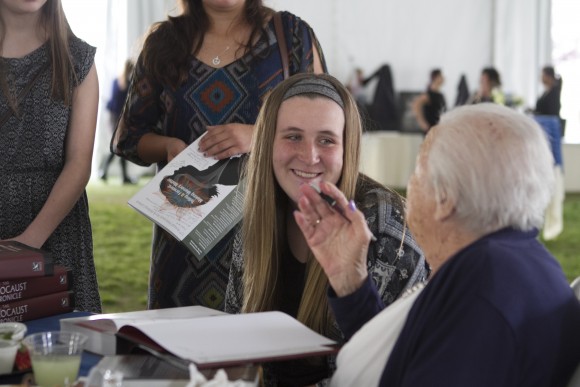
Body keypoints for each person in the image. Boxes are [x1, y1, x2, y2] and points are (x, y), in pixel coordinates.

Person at [293, 103, 580, 386]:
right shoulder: (517, 261)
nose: (410, 182)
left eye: (418, 171)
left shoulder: (482, 286)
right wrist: (350, 278)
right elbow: (400, 357)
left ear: (446, 199)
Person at [111, 0, 326, 310]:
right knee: (180, 350)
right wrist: (168, 146)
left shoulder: (290, 35)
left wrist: (260, 135)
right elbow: (127, 138)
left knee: (266, 348)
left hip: (268, 233)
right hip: (183, 245)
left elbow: (327, 126)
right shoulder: (163, 42)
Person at [225, 73, 428, 386]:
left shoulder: (387, 227)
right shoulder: (258, 213)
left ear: (347, 147)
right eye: (293, 136)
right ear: (267, 142)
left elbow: (398, 364)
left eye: (327, 140)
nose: (309, 156)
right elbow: (236, 337)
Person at [0, 0, 101, 312]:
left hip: (55, 228)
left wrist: (28, 243)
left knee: (60, 347)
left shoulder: (78, 58)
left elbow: (79, 163)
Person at [99, 59, 136, 184]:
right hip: (118, 117)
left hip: (112, 115)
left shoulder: (116, 81)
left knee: (118, 145)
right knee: (119, 145)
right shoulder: (130, 83)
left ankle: (106, 173)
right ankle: (111, 174)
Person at [412, 68, 447, 133]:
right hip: (430, 130)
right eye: (441, 76)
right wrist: (422, 123)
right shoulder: (429, 94)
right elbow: (416, 104)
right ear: (436, 78)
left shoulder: (440, 95)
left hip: (439, 128)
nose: (444, 78)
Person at [534, 65, 564, 136]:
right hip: (544, 126)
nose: (541, 77)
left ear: (548, 76)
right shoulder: (546, 92)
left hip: (549, 128)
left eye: (542, 75)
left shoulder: (554, 93)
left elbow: (552, 111)